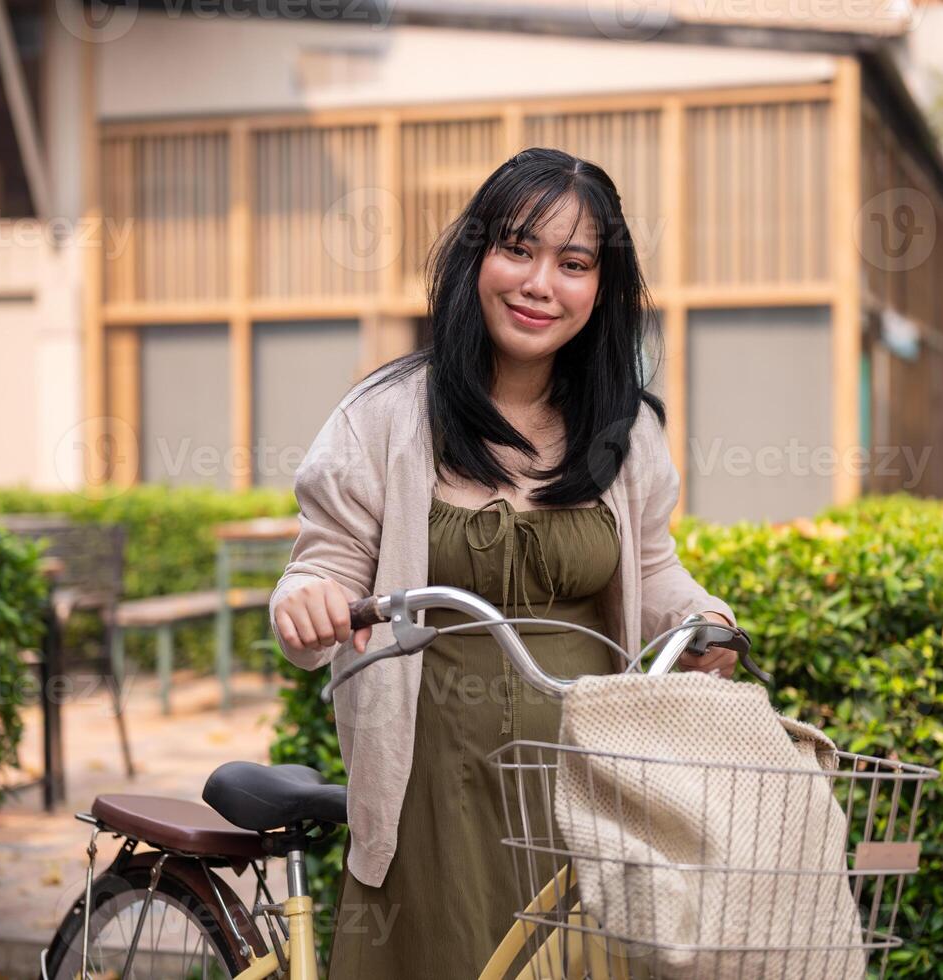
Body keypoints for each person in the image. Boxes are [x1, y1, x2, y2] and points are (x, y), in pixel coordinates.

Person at [267, 147, 738, 979]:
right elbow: (328, 565)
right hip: (432, 797)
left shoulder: (623, 433)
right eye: (516, 248)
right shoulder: (382, 418)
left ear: (602, 288)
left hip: (590, 793)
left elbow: (654, 568)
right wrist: (306, 598)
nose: (539, 283)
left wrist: (704, 620)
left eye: (573, 262)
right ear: (474, 258)